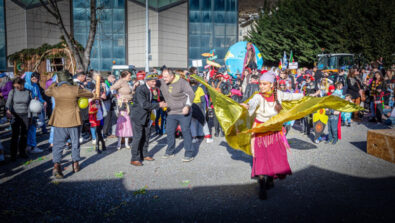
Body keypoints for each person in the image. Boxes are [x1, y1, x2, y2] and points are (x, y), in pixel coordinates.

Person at [241, 71, 303, 200]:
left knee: (275, 156)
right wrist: (246, 105)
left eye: (264, 84)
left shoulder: (278, 94)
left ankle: (269, 179)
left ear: (271, 85)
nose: (261, 86)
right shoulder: (258, 96)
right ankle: (263, 184)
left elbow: (291, 97)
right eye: (261, 84)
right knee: (262, 157)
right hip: (261, 131)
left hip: (274, 131)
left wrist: (306, 96)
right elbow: (251, 103)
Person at [45, 70, 94, 179]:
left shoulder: (55, 89)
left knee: (58, 144)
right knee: (75, 142)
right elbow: (90, 94)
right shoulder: (75, 89)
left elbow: (47, 92)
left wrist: (55, 83)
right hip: (73, 120)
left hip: (59, 120)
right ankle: (75, 164)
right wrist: (78, 87)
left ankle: (56, 165)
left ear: (59, 80)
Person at [159, 68, 195, 162]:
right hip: (171, 112)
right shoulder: (162, 82)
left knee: (185, 131)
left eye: (166, 77)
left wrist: (187, 106)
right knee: (169, 131)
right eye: (163, 76)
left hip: (183, 112)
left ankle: (189, 153)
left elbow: (191, 94)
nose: (164, 79)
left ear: (172, 76)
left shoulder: (182, 82)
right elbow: (153, 82)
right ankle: (170, 151)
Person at [130, 73, 166, 166]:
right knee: (138, 137)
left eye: (155, 81)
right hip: (138, 116)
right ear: (147, 81)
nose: (155, 83)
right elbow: (144, 104)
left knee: (146, 135)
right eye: (153, 81)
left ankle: (144, 154)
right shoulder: (141, 89)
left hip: (147, 116)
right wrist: (159, 105)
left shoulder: (150, 89)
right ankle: (134, 158)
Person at [5, 77, 31, 161]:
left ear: (22, 84)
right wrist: (8, 110)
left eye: (18, 86)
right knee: (15, 135)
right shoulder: (12, 92)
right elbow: (8, 103)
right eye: (15, 87)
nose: (17, 88)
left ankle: (22, 152)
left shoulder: (28, 92)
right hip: (15, 115)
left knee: (24, 134)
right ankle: (13, 154)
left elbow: (31, 104)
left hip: (26, 115)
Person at [24, 72, 46, 153]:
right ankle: (31, 146)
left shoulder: (36, 86)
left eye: (37, 79)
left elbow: (39, 96)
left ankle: (31, 146)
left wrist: (43, 101)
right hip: (27, 110)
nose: (36, 80)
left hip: (35, 108)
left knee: (33, 127)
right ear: (29, 78)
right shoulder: (26, 86)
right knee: (29, 128)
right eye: (33, 79)